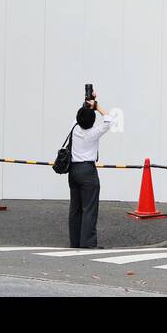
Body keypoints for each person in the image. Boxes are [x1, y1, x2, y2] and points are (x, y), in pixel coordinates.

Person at [68, 92, 114, 249]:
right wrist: (96, 105)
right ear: (93, 120)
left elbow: (81, 114)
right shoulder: (93, 133)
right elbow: (109, 119)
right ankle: (87, 242)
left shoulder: (74, 127)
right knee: (89, 208)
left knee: (75, 208)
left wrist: (88, 102)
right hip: (87, 171)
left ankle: (75, 241)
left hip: (73, 171)